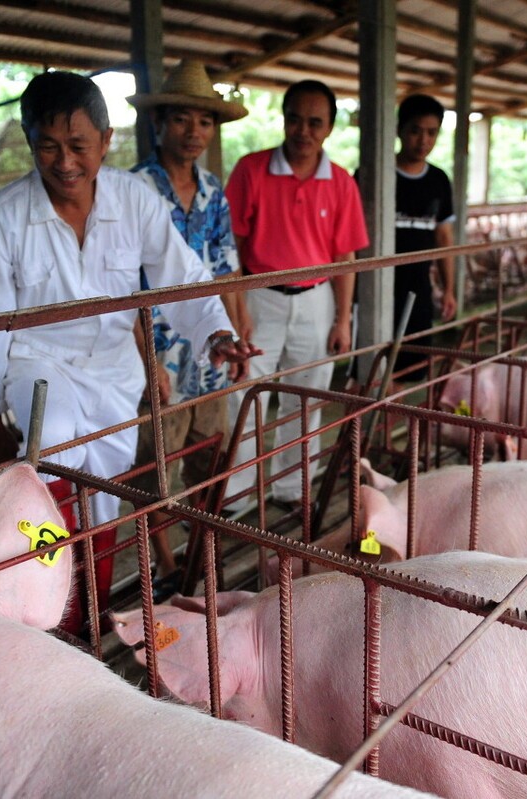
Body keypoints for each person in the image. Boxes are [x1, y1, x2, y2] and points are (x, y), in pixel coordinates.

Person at [0, 70, 255, 632]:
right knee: (53, 462)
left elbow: (181, 274)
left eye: (77, 146)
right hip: (39, 361)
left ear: (106, 140)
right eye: (48, 146)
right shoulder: (0, 217)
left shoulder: (132, 199)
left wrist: (215, 331)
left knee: (108, 490)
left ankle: (90, 603)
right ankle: (56, 609)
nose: (64, 162)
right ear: (29, 142)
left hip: (115, 369)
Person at [124, 60, 248, 589]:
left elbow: (228, 269)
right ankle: (167, 565)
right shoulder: (132, 190)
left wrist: (239, 335)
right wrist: (147, 360)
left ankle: (200, 546)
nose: (194, 131)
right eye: (181, 119)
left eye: (205, 121)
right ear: (158, 125)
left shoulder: (213, 190)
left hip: (210, 351)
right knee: (157, 463)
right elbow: (124, 286)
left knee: (207, 454)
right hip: (158, 353)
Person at [223, 80, 369, 509]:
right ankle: (240, 495)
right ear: (283, 119)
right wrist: (236, 309)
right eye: (295, 119)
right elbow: (230, 245)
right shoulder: (251, 170)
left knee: (307, 393)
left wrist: (343, 319)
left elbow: (345, 256)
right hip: (259, 294)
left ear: (328, 128)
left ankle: (291, 488)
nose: (303, 130)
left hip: (316, 299)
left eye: (315, 122)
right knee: (243, 392)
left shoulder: (340, 182)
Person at [391, 93, 457, 382]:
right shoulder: (375, 173)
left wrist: (449, 289)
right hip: (378, 290)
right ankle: (370, 427)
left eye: (432, 133)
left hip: (419, 289)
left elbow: (444, 237)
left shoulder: (439, 180)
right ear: (400, 130)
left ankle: (396, 427)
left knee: (412, 372)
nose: (423, 140)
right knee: (375, 372)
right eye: (416, 130)